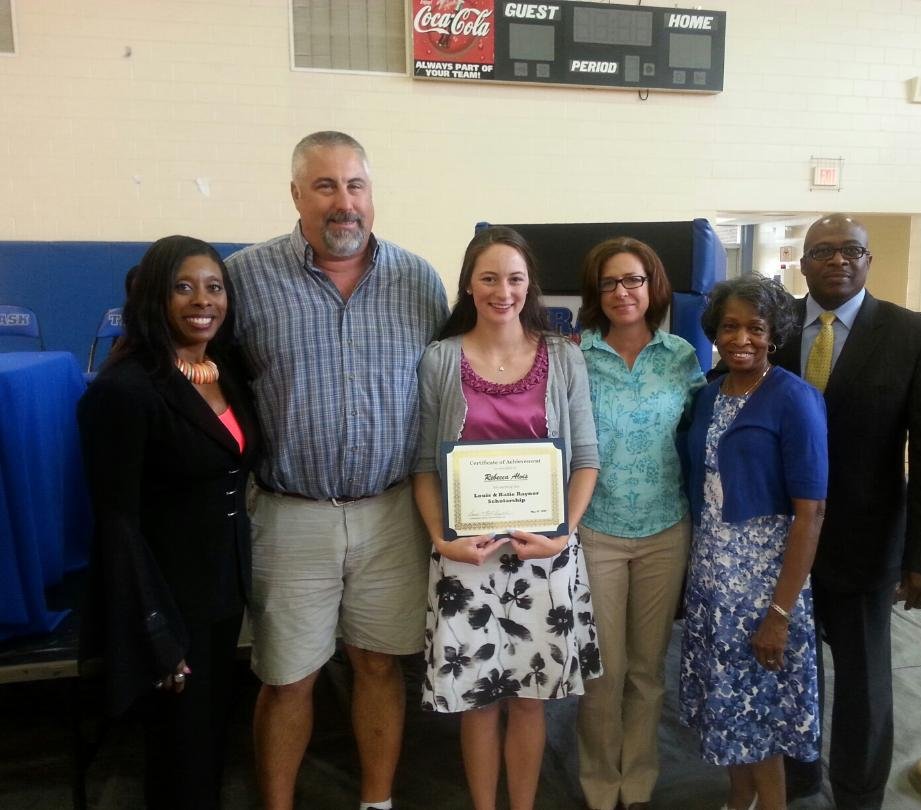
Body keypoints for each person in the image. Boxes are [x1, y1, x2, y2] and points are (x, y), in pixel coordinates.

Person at [225, 131, 449, 810]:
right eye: (325, 187)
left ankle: (375, 802)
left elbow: (449, 387)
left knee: (379, 665)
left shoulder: (418, 280)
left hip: (391, 514)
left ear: (372, 195)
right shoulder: (245, 278)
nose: (343, 203)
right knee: (287, 678)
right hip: (292, 514)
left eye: (355, 186)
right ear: (296, 195)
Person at [412, 226, 602, 810]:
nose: (503, 290)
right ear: (470, 284)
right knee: (479, 700)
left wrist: (563, 535)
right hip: (467, 561)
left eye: (515, 278)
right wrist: (442, 541)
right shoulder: (441, 360)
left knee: (529, 700)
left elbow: (587, 461)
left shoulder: (564, 358)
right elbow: (423, 466)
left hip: (544, 558)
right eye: (489, 277)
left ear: (530, 285)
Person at [776, 214, 921, 809]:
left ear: (868, 260)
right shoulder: (772, 332)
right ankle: (798, 773)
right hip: (777, 547)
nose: (838, 261)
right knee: (789, 670)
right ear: (802, 264)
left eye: (851, 250)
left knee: (862, 683)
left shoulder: (914, 335)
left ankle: (858, 794)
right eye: (823, 251)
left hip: (867, 544)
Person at [78, 235, 260, 809]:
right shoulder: (125, 390)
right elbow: (118, 522)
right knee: (177, 754)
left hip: (221, 595)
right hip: (168, 604)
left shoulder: (222, 370)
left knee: (207, 742)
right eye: (183, 287)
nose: (202, 300)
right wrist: (154, 629)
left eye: (214, 287)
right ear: (154, 297)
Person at [680, 274, 828, 810]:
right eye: (730, 326)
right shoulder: (707, 396)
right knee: (728, 709)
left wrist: (779, 613)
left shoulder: (796, 399)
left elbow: (811, 514)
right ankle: (736, 801)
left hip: (764, 587)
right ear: (714, 333)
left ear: (775, 334)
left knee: (763, 720)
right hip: (711, 581)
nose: (742, 338)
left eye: (756, 328)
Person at [574, 237, 704, 810]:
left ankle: (640, 779)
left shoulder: (681, 356)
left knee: (649, 670)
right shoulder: (575, 354)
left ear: (653, 286)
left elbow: (700, 440)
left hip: (663, 531)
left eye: (632, 280)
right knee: (603, 669)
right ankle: (600, 783)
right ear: (595, 293)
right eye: (609, 283)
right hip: (596, 530)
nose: (622, 293)